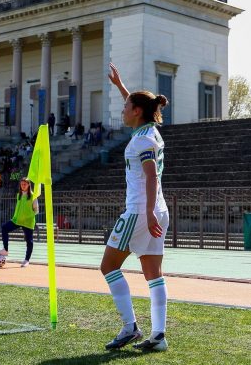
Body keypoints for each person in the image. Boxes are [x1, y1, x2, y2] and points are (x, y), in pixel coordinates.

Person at [101, 62, 170, 352]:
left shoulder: (141, 140)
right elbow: (139, 105)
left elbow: (151, 174)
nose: (123, 109)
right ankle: (158, 337)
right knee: (153, 273)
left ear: (137, 111)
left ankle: (130, 327)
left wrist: (149, 210)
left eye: (126, 106)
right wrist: (121, 87)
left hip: (141, 211)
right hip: (157, 210)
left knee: (108, 266)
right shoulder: (150, 132)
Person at [0, 177, 38, 267]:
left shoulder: (33, 196)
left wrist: (27, 216)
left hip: (28, 222)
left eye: (25, 184)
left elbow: (36, 210)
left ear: (29, 185)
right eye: (22, 184)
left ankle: (26, 260)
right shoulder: (19, 195)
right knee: (4, 228)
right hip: (17, 220)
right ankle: (5, 250)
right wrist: (15, 217)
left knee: (29, 241)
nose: (23, 186)